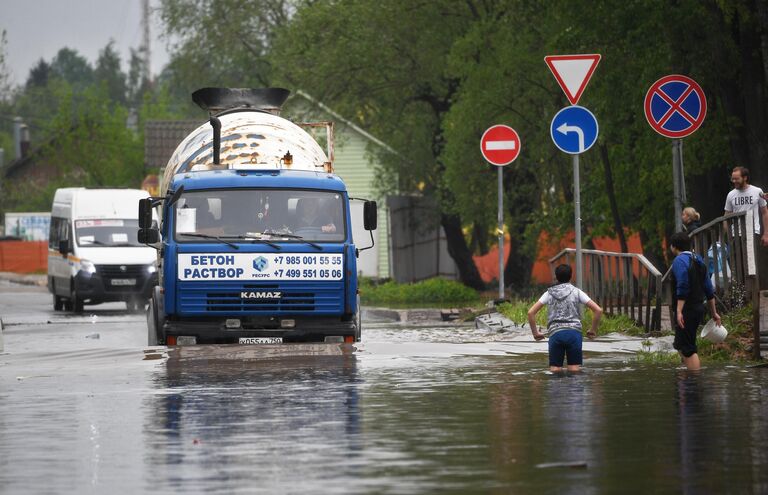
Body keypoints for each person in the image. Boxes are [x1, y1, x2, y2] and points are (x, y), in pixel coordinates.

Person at [527, 264, 602, 372]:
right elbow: (598, 310)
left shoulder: (549, 293)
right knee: (574, 369)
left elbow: (531, 313)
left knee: (555, 369)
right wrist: (593, 329)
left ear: (556, 277)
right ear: (571, 276)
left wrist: (535, 333)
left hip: (555, 334)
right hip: (574, 334)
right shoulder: (577, 291)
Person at [669, 232, 721, 371]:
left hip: (687, 309)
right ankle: (686, 378)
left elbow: (683, 285)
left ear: (674, 247)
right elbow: (709, 289)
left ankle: (694, 380)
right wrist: (714, 313)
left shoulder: (679, 261)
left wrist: (679, 311)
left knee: (688, 348)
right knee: (680, 344)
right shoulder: (698, 259)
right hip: (698, 308)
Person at [724, 166, 768, 247]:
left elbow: (765, 212)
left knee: (752, 259)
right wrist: (722, 239)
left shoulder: (757, 191)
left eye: (736, 179)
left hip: (753, 231)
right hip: (735, 234)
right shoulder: (731, 194)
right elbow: (726, 216)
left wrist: (766, 233)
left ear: (745, 178)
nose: (734, 181)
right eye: (732, 179)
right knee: (738, 259)